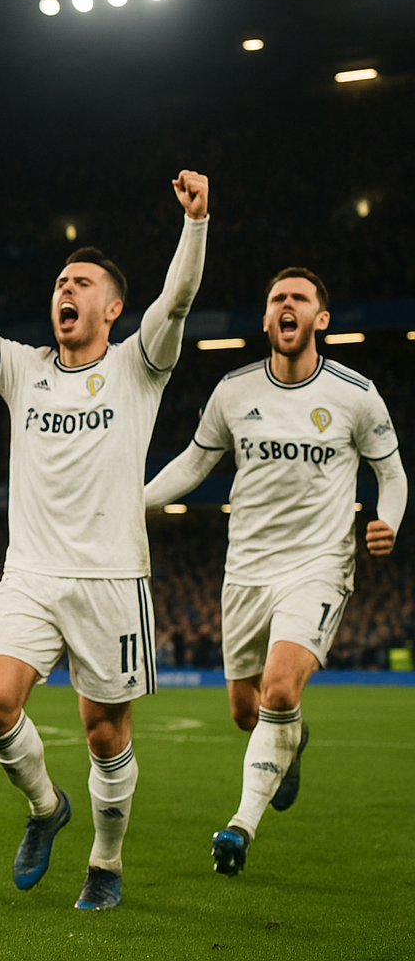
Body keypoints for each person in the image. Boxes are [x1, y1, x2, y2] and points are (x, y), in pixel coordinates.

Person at [0, 170, 209, 910]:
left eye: (82, 282)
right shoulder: (21, 369)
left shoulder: (139, 365)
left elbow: (181, 298)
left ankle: (105, 860)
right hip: (30, 573)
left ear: (112, 305)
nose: (65, 289)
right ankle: (45, 807)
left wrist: (194, 222)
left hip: (109, 578)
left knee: (105, 733)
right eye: (60, 280)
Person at [143, 267, 404, 877]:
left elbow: (391, 474)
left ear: (322, 319)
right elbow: (191, 465)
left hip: (319, 565)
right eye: (277, 299)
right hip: (246, 572)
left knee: (280, 691)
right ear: (265, 320)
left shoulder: (355, 394)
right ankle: (294, 740)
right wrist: (136, 499)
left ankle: (239, 827)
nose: (287, 306)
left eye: (300, 298)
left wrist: (387, 519)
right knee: (246, 711)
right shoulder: (232, 391)